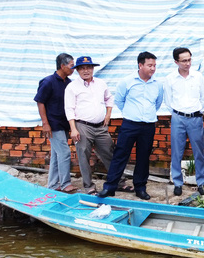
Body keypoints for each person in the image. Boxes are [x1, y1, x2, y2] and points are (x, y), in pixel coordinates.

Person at [98, 52, 164, 200]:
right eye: (149, 65)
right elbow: (120, 101)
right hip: (129, 124)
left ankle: (140, 187)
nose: (153, 68)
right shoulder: (127, 82)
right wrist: (131, 113)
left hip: (148, 125)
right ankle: (110, 187)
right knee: (120, 155)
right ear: (140, 65)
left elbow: (157, 103)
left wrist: (146, 115)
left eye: (154, 65)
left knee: (143, 157)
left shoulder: (158, 84)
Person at [64, 56, 124, 195]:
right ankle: (89, 186)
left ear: (93, 69)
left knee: (110, 152)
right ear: (77, 70)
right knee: (84, 155)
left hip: (100, 126)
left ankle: (119, 181)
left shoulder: (101, 83)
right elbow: (69, 108)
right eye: (82, 68)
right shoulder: (72, 87)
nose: (86, 71)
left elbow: (109, 98)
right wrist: (73, 129)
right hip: (82, 126)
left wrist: (108, 114)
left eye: (89, 67)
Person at [164, 47, 204, 197]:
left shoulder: (198, 76)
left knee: (199, 152)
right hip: (178, 118)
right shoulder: (170, 79)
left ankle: (201, 182)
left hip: (195, 118)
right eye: (184, 61)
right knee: (177, 152)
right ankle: (177, 183)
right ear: (176, 61)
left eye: (189, 60)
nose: (187, 63)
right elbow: (168, 101)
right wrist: (178, 113)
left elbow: (203, 97)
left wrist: (199, 110)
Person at [34, 53, 77, 193]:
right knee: (64, 153)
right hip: (53, 124)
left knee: (56, 155)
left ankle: (52, 185)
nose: (74, 68)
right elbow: (40, 102)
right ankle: (65, 184)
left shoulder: (68, 83)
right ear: (62, 66)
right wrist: (45, 123)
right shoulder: (48, 82)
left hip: (63, 123)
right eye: (71, 66)